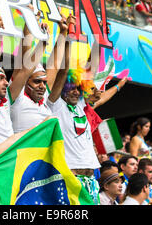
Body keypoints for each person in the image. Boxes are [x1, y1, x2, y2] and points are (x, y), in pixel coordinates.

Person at [0, 15, 48, 148]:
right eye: (0, 78)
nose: (6, 83)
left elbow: (26, 70)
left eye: (5, 79)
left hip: (11, 159)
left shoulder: (6, 99)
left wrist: (44, 42)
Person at [47, 39, 101, 204]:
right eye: (72, 88)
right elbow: (62, 73)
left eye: (79, 88)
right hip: (72, 178)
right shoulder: (55, 105)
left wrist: (98, 41)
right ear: (63, 89)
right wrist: (68, 42)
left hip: (91, 179)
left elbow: (89, 71)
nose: (76, 92)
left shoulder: (80, 105)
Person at [10, 13, 70, 133]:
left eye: (44, 82)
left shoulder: (44, 97)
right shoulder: (17, 96)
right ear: (25, 80)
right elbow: (24, 55)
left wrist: (63, 32)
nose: (42, 86)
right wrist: (30, 23)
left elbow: (55, 64)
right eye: (37, 81)